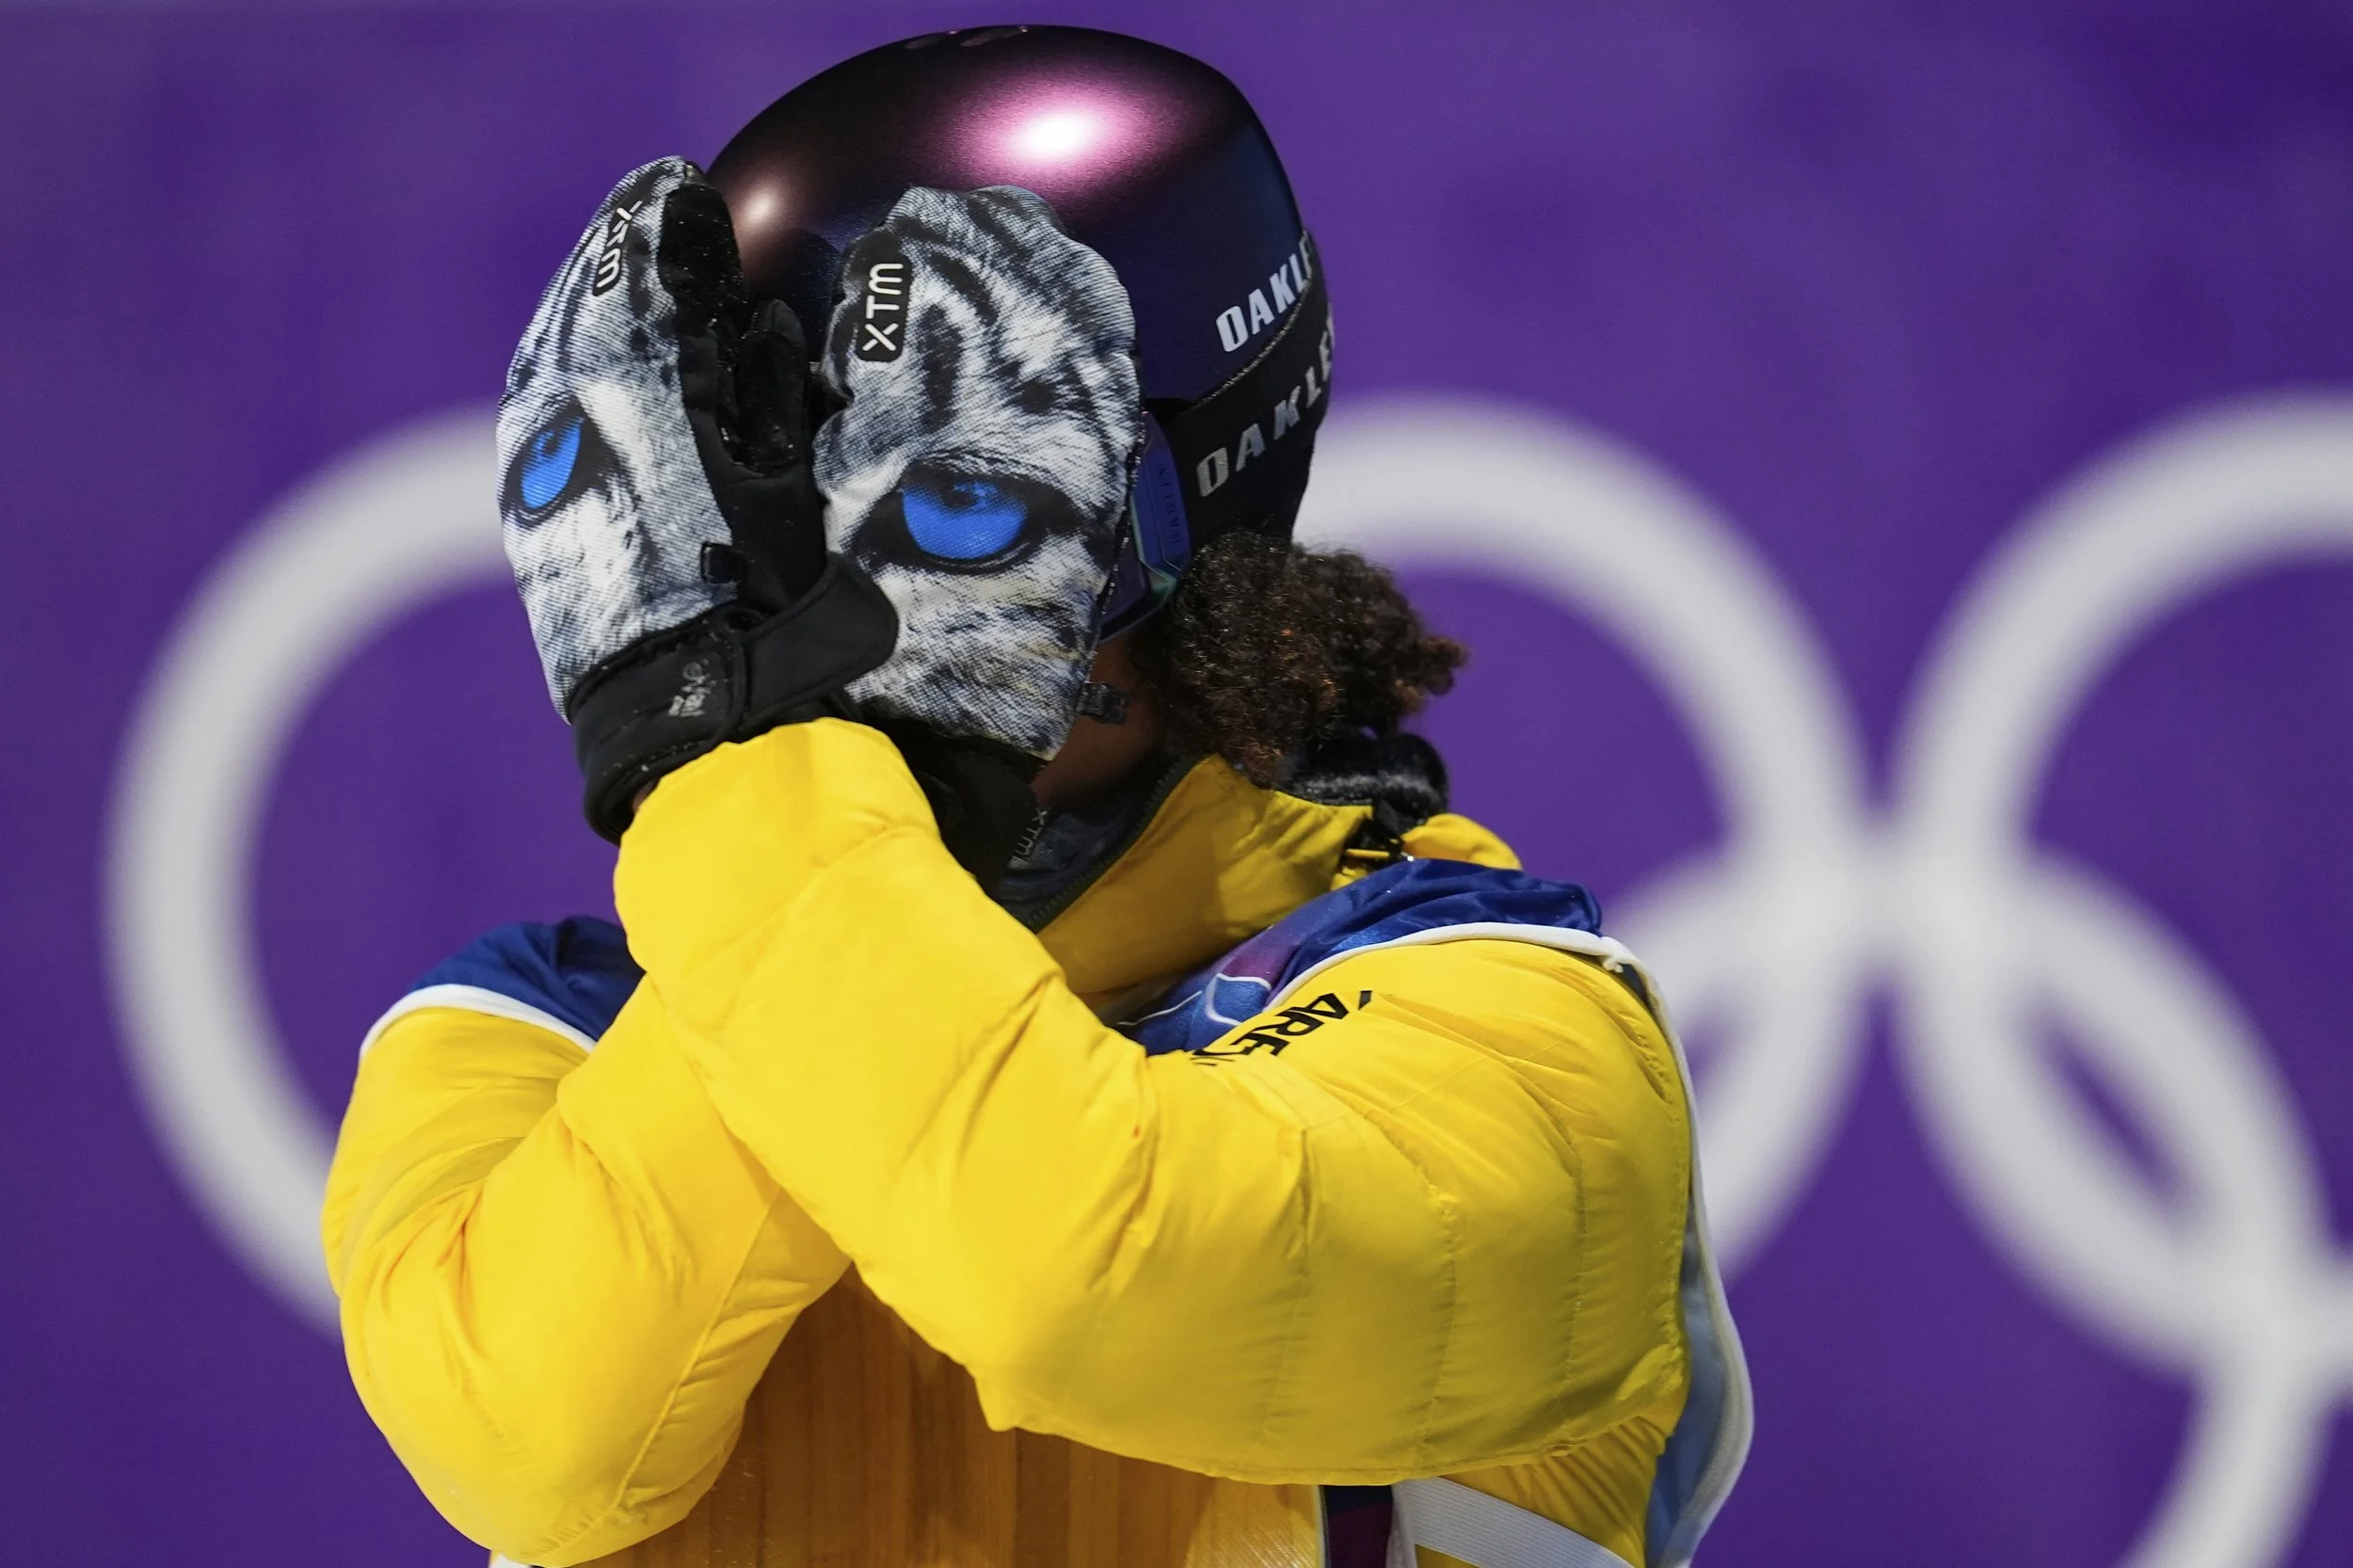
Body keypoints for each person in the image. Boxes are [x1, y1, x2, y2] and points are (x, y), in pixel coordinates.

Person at [322, 26, 1750, 1568]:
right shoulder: (523, 1032)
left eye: (929, 498)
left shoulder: (1518, 1034)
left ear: (1144, 519)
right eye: (755, 512)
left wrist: (792, 785)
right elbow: (531, 1441)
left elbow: (1074, 1272)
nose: (794, 620)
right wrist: (770, 774)